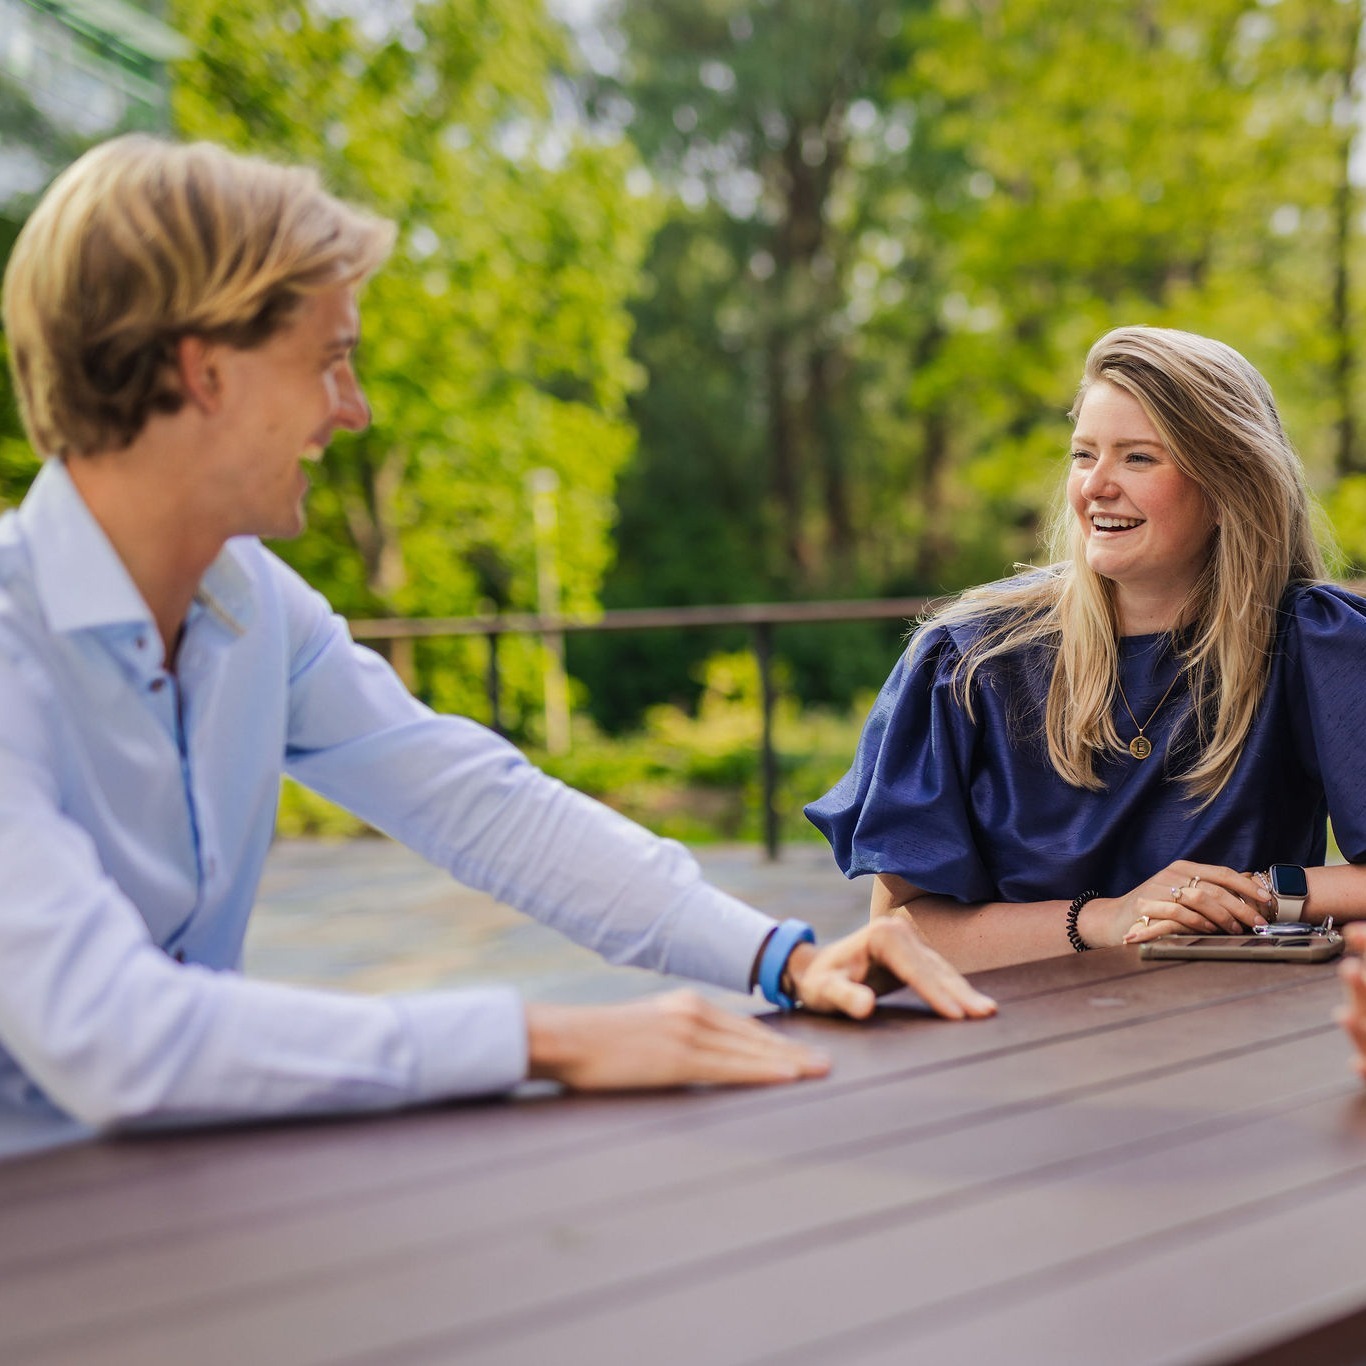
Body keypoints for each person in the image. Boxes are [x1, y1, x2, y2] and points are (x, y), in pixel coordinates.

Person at [0, 135, 996, 1137]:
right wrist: (544, 1039)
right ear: (204, 371)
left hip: (170, 1190)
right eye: (330, 361)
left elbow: (477, 804)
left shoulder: (250, 602)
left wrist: (782, 958)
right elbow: (110, 1034)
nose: (354, 409)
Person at [808, 324, 1366, 973]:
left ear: (1228, 486)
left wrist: (1260, 896)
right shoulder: (966, 661)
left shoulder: (1315, 640)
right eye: (1083, 454)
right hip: (1015, 1043)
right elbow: (900, 933)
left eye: (1137, 457)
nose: (1095, 485)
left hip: (1237, 1031)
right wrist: (1109, 917)